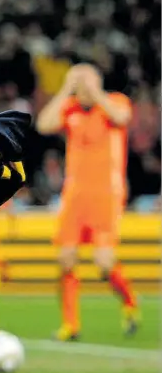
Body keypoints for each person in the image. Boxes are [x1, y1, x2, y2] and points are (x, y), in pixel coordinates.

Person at [36, 63, 138, 341]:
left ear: (97, 84)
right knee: (66, 260)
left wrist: (96, 92)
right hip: (75, 195)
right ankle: (71, 325)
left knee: (104, 264)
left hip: (106, 194)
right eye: (78, 85)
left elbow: (122, 117)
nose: (83, 90)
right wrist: (66, 89)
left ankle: (129, 302)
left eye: (86, 84)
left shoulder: (114, 102)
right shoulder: (70, 108)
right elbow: (44, 124)